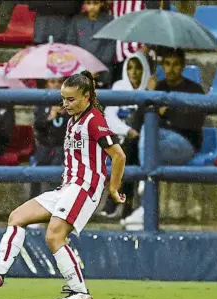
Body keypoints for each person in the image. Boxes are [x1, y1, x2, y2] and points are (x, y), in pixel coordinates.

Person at [0, 71, 127, 299]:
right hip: (68, 187)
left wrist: (113, 188)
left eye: (71, 99)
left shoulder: (94, 120)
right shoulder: (73, 121)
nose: (66, 104)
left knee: (54, 235)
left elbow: (118, 155)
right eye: (63, 99)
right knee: (17, 217)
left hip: (85, 187)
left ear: (87, 97)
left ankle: (80, 291)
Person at [121, 48, 205, 227]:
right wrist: (149, 94)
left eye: (175, 65)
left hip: (185, 144)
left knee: (147, 132)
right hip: (156, 143)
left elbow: (193, 123)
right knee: (133, 141)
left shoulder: (194, 89)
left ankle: (145, 194)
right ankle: (128, 206)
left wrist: (166, 113)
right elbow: (138, 119)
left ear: (182, 66)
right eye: (167, 64)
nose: (171, 69)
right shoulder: (157, 87)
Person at [101, 51, 155, 219]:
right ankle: (127, 204)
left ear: (144, 70)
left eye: (138, 68)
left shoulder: (150, 88)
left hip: (139, 140)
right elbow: (109, 117)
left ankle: (115, 200)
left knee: (129, 152)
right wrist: (128, 131)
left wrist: (151, 92)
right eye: (130, 68)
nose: (134, 72)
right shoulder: (119, 87)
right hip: (120, 137)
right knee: (128, 151)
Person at [29, 78, 69, 199]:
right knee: (34, 171)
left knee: (57, 169)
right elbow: (37, 126)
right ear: (47, 84)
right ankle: (33, 202)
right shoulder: (42, 103)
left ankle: (56, 204)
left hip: (63, 147)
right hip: (45, 145)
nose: (56, 84)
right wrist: (50, 117)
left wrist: (66, 114)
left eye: (59, 82)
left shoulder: (72, 103)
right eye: (52, 82)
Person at [67, 0, 115, 87]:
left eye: (96, 3)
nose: (92, 7)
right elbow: (71, 44)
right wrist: (84, 66)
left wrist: (96, 67)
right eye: (89, 3)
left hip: (103, 69)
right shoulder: (77, 20)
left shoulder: (109, 20)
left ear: (101, 3)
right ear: (84, 4)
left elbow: (111, 45)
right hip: (80, 68)